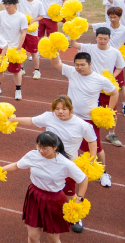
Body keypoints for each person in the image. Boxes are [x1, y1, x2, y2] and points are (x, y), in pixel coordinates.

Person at [11, 96, 97, 233]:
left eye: (64, 109)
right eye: (57, 109)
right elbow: (31, 121)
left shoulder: (82, 125)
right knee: (47, 189)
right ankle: (43, 216)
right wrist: (13, 119)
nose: (60, 112)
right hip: (47, 161)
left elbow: (92, 141)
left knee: (69, 193)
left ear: (71, 109)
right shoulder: (48, 117)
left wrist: (92, 159)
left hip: (67, 164)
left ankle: (76, 214)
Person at [1, 132, 88, 242]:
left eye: (45, 149)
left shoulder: (65, 163)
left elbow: (83, 179)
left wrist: (79, 199)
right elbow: (16, 165)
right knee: (32, 236)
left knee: (53, 239)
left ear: (55, 147)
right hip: (34, 196)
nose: (41, 151)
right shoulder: (33, 155)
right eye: (39, 147)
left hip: (54, 200)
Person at [49, 52, 116, 188]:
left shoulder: (100, 79)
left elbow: (114, 92)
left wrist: (108, 111)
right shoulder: (72, 72)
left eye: (82, 65)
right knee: (67, 145)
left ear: (90, 64)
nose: (79, 67)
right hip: (69, 118)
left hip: (88, 120)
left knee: (96, 148)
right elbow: (56, 63)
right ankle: (66, 172)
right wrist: (53, 49)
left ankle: (103, 173)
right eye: (77, 65)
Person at [0, 0, 28, 99]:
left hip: (14, 48)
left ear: (15, 5)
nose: (6, 6)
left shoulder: (21, 17)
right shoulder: (1, 14)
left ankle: (18, 90)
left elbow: (23, 33)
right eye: (5, 4)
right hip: (1, 46)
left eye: (9, 4)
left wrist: (19, 48)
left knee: (16, 71)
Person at [17, 0, 45, 79]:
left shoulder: (38, 3)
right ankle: (21, 68)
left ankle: (37, 70)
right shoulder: (20, 0)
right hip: (21, 31)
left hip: (32, 31)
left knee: (34, 52)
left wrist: (33, 20)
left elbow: (41, 16)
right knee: (20, 50)